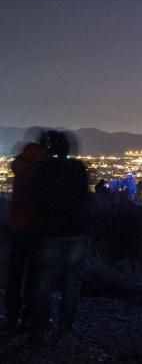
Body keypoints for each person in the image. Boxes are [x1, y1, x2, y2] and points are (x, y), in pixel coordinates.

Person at [29, 130, 89, 338]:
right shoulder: (78, 168)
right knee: (71, 281)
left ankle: (39, 327)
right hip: (76, 231)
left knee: (43, 280)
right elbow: (84, 198)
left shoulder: (42, 170)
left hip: (49, 232)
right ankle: (66, 326)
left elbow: (35, 199)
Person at [5, 131, 50, 331]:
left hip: (17, 227)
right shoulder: (45, 169)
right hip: (38, 229)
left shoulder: (20, 165)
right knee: (35, 274)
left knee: (15, 273)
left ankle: (12, 316)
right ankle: (30, 315)